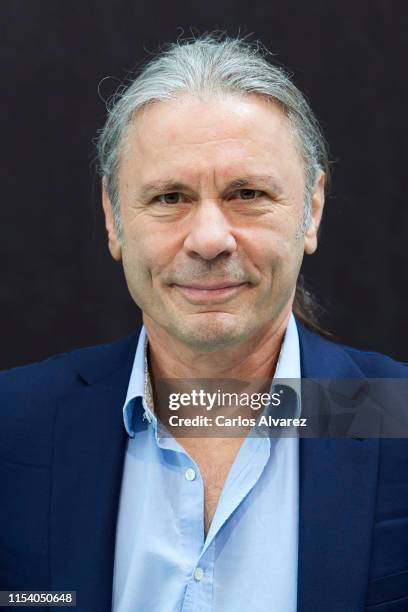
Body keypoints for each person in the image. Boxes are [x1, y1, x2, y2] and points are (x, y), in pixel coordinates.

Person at [1, 34, 407, 612]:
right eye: (169, 197)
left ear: (311, 210)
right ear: (114, 218)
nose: (210, 239)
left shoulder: (399, 418)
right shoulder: (13, 425)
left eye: (247, 193)